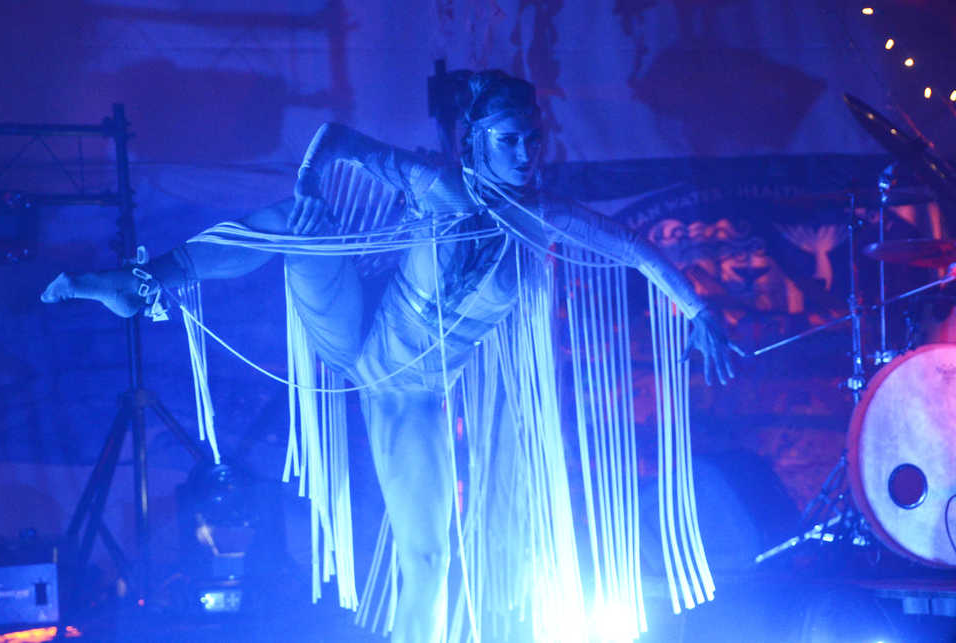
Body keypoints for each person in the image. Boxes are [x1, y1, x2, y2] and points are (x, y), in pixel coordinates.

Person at [42, 70, 740, 642]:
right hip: (358, 332)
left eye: (534, 140)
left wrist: (700, 311)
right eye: (509, 140)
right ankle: (139, 283)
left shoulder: (544, 218)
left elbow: (633, 247)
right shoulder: (436, 185)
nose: (527, 154)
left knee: (428, 559)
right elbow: (336, 137)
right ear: (476, 145)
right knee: (293, 220)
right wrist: (311, 182)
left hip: (410, 396)